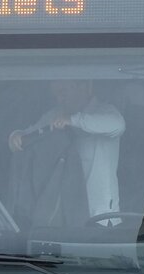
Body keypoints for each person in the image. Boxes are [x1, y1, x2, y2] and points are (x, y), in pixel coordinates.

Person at [8, 79, 125, 221]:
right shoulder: (55, 115)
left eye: (63, 92)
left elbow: (118, 125)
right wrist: (16, 136)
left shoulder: (105, 112)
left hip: (100, 215)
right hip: (63, 216)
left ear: (85, 86)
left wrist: (73, 120)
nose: (59, 99)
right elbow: (29, 136)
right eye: (56, 95)